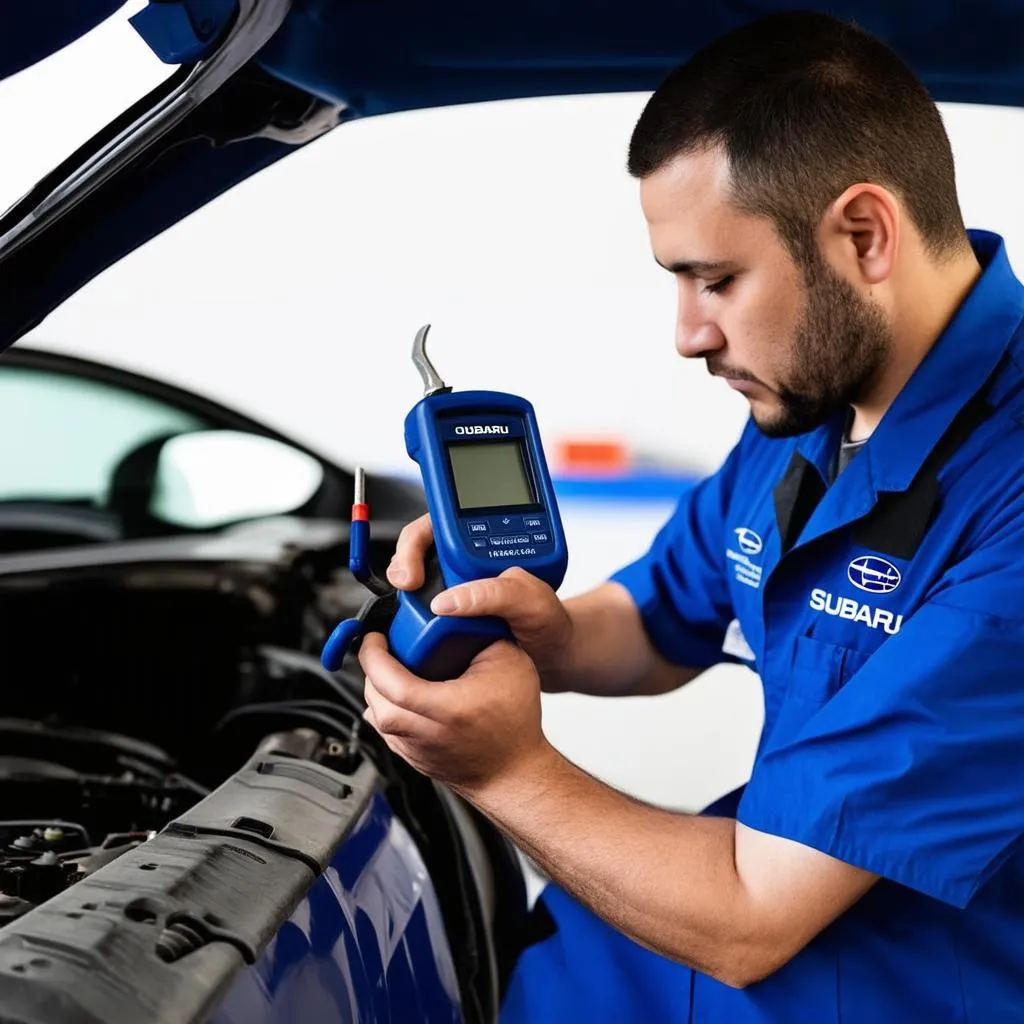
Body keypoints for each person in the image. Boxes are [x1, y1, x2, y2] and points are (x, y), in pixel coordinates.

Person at [357, 11, 1024, 1022]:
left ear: (864, 234)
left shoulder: (1007, 493)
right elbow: (659, 620)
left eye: (715, 280)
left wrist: (499, 767)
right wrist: (539, 628)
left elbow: (752, 916)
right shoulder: (807, 400)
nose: (686, 334)